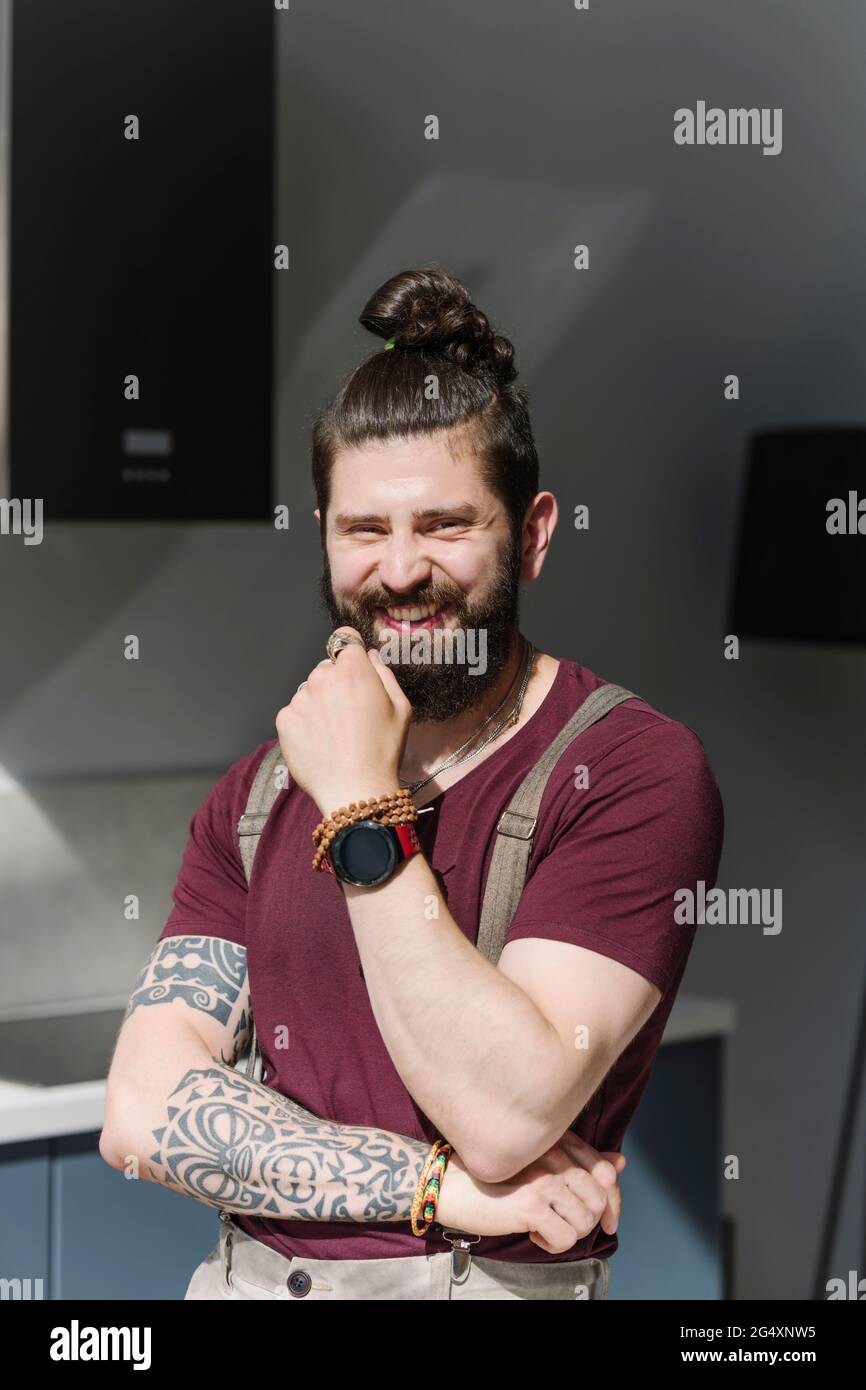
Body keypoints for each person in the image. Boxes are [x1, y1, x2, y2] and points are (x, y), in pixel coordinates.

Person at [100, 266, 724, 1301]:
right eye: (362, 530)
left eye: (443, 525)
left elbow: (505, 1110)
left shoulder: (627, 771)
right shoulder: (256, 795)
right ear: (323, 538)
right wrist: (439, 1188)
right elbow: (142, 1112)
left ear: (529, 534)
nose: (398, 571)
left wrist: (358, 809)